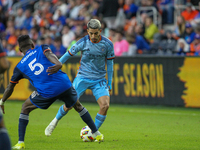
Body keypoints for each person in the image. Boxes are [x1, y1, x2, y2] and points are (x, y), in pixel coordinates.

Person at [0, 35, 103, 149]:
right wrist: (58, 63)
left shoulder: (19, 67)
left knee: (25, 107)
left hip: (46, 91)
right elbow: (50, 55)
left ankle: (20, 143)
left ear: (20, 50)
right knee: (78, 106)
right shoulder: (41, 48)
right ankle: (97, 134)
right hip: (64, 84)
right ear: (32, 44)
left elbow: (10, 87)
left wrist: (2, 101)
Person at [45, 19, 114, 137]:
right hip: (82, 77)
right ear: (87, 31)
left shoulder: (108, 44)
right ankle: (54, 122)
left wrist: (110, 82)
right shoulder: (82, 42)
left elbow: (110, 64)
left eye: (96, 33)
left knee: (105, 106)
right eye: (90, 33)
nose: (93, 36)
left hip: (99, 79)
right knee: (70, 104)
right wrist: (57, 66)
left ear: (100, 31)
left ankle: (92, 133)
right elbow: (67, 55)